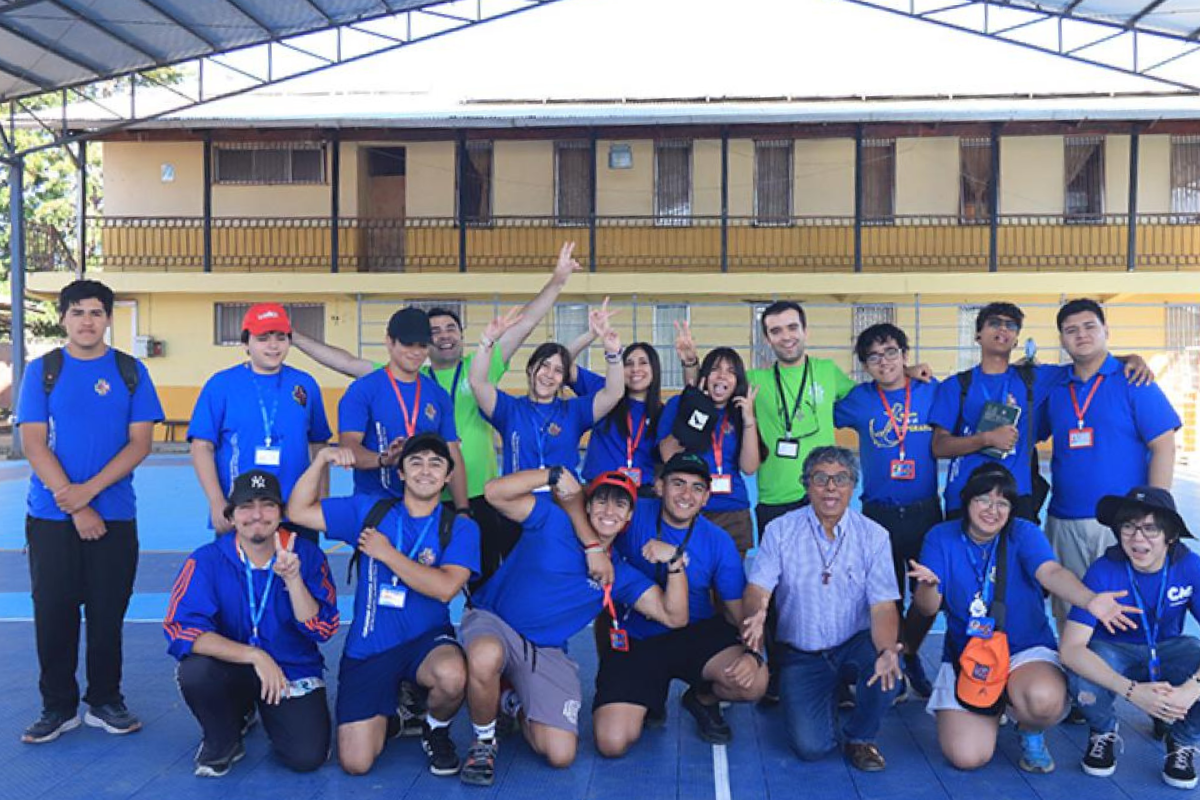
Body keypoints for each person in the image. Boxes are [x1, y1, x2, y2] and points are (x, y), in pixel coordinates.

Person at [291, 241, 587, 583]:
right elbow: (344, 361)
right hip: (406, 497)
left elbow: (526, 324)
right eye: (433, 333)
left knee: (484, 582)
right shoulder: (394, 376)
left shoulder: (481, 368)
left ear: (460, 335)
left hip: (475, 494)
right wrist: (296, 338)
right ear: (402, 343)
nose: (442, 337)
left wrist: (558, 280)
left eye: (450, 329)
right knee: (402, 581)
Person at [458, 467, 689, 786]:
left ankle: (511, 700)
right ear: (588, 505)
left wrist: (675, 562)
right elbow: (495, 491)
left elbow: (674, 616)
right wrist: (550, 475)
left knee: (560, 753)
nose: (609, 510)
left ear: (628, 517)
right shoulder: (553, 521)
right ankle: (484, 742)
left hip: (545, 651)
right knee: (485, 655)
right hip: (494, 621)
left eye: (619, 505)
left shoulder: (617, 573)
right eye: (602, 501)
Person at [908, 463, 1138, 773]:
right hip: (970, 657)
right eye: (984, 500)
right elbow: (926, 608)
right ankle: (994, 704)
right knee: (967, 757)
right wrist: (929, 586)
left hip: (1023, 651)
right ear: (967, 501)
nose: (993, 510)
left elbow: (1051, 573)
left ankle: (1030, 729)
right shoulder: (941, 537)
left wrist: (1090, 599)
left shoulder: (1024, 533)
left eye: (1002, 502)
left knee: (1044, 701)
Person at [17, 279, 164, 743]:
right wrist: (73, 502)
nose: (87, 321)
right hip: (51, 517)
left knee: (106, 614)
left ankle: (105, 700)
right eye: (77, 312)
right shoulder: (42, 371)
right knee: (54, 613)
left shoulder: (129, 371)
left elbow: (140, 443)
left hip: (115, 516)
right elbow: (34, 444)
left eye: (96, 312)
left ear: (108, 319)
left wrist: (90, 494)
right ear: (63, 318)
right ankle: (57, 707)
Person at [286, 434, 481, 777]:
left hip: (426, 642)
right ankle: (395, 712)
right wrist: (319, 462)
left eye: (436, 464)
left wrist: (387, 554)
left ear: (448, 476)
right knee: (356, 763)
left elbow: (446, 588)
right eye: (416, 462)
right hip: (370, 647)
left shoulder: (459, 527)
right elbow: (298, 511)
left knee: (452, 675)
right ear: (401, 472)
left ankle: (434, 728)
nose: (425, 471)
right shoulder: (370, 509)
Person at [163, 470, 339, 777]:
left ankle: (275, 714)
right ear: (231, 516)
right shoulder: (205, 561)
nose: (256, 515)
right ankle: (225, 737)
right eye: (245, 506)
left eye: (267, 505)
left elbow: (321, 630)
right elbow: (182, 630)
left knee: (307, 757)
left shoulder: (307, 556)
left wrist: (294, 580)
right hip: (233, 666)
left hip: (291, 670)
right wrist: (255, 655)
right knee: (196, 671)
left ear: (281, 513)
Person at [742, 446, 903, 772]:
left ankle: (860, 737)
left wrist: (887, 650)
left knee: (888, 674)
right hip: (802, 653)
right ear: (806, 485)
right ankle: (824, 695)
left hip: (853, 643)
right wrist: (757, 612)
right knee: (810, 748)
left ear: (852, 485)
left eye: (840, 479)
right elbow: (757, 588)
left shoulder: (874, 536)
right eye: (821, 478)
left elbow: (883, 606)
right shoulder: (780, 530)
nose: (831, 487)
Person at [594, 453, 766, 755]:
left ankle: (702, 698)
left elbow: (738, 611)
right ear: (659, 486)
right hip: (636, 638)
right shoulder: (630, 515)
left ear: (706, 498)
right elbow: (587, 514)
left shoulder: (719, 541)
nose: (687, 494)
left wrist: (753, 655)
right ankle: (645, 696)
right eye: (678, 483)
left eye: (697, 488)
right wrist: (593, 548)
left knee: (754, 683)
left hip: (695, 634)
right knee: (611, 742)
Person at [1042, 298, 1180, 626]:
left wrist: (1152, 516)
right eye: (1071, 330)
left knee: (1128, 610)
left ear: (1106, 330)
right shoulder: (1054, 385)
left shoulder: (1135, 381)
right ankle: (1077, 676)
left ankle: (1129, 676)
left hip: (1123, 522)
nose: (1081, 335)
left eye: (1090, 326)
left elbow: (1164, 446)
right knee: (1071, 613)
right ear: (1062, 339)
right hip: (1065, 521)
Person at [1060, 486, 1200, 790]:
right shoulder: (1104, 570)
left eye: (1150, 528)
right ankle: (1103, 730)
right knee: (1081, 675)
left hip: (1169, 652)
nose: (1137, 538)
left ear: (1171, 535)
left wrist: (1191, 689)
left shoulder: (1190, 566)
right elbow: (1070, 649)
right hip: (1114, 652)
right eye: (1129, 526)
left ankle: (1184, 739)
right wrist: (1131, 691)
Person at [834, 323, 942, 698]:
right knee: (886, 597)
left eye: (892, 352)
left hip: (925, 513)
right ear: (865, 365)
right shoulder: (859, 400)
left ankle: (910, 651)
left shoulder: (932, 393)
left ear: (905, 354)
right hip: (878, 515)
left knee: (928, 596)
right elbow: (818, 413)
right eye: (874, 357)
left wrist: (913, 375)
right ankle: (891, 658)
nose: (884, 362)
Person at [189, 303, 332, 543]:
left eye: (280, 337)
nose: (273, 345)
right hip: (240, 512)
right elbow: (201, 446)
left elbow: (320, 446)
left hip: (296, 513)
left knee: (298, 578)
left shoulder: (305, 385)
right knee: (238, 579)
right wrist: (216, 502)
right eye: (263, 338)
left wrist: (322, 501)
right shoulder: (221, 385)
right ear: (246, 343)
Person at [469, 302, 624, 476]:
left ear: (563, 380)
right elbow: (477, 382)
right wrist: (486, 341)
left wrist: (613, 353)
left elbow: (613, 393)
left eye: (558, 371)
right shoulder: (510, 409)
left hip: (562, 500)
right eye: (544, 366)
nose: (549, 375)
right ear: (530, 369)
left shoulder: (574, 411)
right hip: (517, 500)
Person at [336, 307, 467, 512]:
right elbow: (349, 447)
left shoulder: (437, 394)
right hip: (374, 507)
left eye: (422, 345)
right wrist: (383, 459)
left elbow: (453, 453)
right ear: (389, 341)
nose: (416, 352)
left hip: (426, 511)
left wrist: (462, 509)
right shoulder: (362, 390)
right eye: (408, 344)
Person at [746, 301, 856, 534]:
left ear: (806, 331)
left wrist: (907, 371)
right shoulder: (754, 379)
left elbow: (874, 392)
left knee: (828, 569)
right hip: (775, 499)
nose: (786, 336)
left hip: (825, 495)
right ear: (767, 339)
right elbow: (713, 387)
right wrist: (690, 363)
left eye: (792, 327)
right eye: (776, 331)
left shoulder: (828, 371)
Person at [657, 348, 761, 555]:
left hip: (733, 510)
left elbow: (749, 468)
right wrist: (697, 413)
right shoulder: (680, 404)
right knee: (688, 579)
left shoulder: (739, 412)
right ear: (704, 376)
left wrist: (749, 421)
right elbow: (667, 455)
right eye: (715, 369)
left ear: (737, 380)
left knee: (728, 583)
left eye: (731, 371)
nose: (722, 375)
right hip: (688, 506)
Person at [571, 341, 664, 492]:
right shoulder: (604, 391)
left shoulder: (662, 414)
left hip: (642, 494)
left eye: (643, 363)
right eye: (628, 363)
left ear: (655, 369)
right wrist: (591, 335)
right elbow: (564, 363)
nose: (635, 369)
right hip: (599, 490)